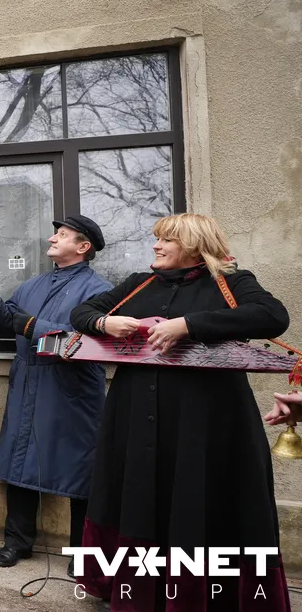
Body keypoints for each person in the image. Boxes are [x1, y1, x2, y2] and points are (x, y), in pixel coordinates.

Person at [70, 213, 291, 610]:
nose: (156, 246)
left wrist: (187, 324)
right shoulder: (138, 283)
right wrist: (105, 322)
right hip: (135, 417)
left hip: (206, 422)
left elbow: (272, 316)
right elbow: (81, 314)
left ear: (193, 245)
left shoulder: (232, 281)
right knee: (140, 499)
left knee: (196, 499)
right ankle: (141, 594)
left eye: (166, 240)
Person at [0, 216, 112, 568]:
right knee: (20, 462)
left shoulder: (99, 291)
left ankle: (83, 555)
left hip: (71, 390)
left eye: (62, 235)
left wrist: (32, 326)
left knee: (82, 471)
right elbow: (9, 322)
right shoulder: (34, 284)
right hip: (27, 383)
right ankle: (17, 543)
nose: (52, 238)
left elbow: (84, 343)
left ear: (83, 247)